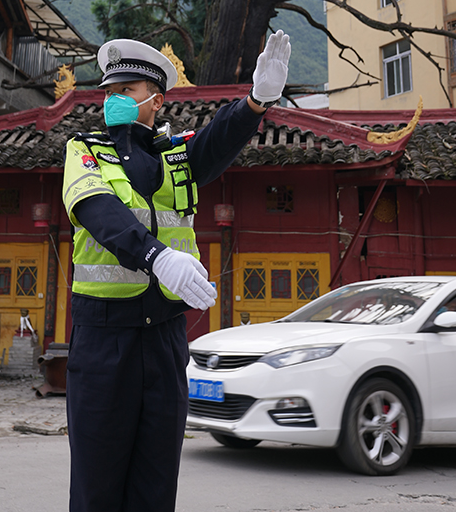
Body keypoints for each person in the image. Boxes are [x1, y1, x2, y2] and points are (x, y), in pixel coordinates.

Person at [62, 31, 291, 512]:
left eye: (125, 91)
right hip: (104, 341)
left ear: (155, 100)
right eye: (108, 92)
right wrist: (156, 257)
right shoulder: (84, 150)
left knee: (156, 485)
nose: (113, 101)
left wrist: (256, 101)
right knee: (97, 487)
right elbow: (98, 209)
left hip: (165, 341)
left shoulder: (176, 156)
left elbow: (217, 141)